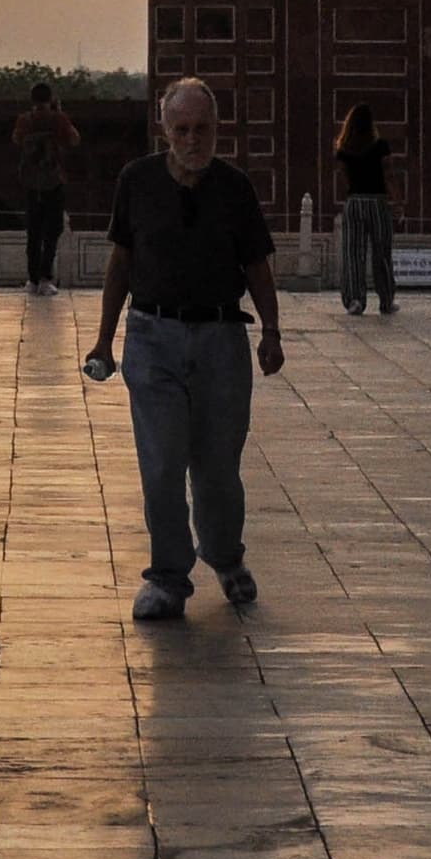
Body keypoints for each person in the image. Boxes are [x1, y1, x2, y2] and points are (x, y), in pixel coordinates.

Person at [84, 80, 283, 621]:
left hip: (221, 338)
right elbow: (121, 262)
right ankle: (168, 577)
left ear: (216, 130)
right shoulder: (138, 181)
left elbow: (256, 265)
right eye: (182, 130)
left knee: (218, 464)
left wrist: (271, 329)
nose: (193, 140)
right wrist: (105, 337)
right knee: (163, 462)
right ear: (164, 131)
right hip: (153, 337)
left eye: (203, 130)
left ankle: (223, 555)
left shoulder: (234, 188)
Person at [11, 82, 81, 297]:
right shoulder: (58, 119)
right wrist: (59, 114)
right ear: (51, 98)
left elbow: (16, 140)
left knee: (33, 232)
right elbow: (75, 140)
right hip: (54, 181)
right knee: (52, 231)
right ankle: (46, 278)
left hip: (31, 182)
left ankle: (32, 279)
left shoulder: (25, 120)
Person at [332, 103, 397, 316]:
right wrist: (397, 200)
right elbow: (388, 176)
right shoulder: (380, 146)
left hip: (355, 201)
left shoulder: (344, 149)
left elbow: (344, 180)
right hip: (377, 201)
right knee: (382, 252)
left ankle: (355, 300)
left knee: (353, 253)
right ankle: (386, 300)